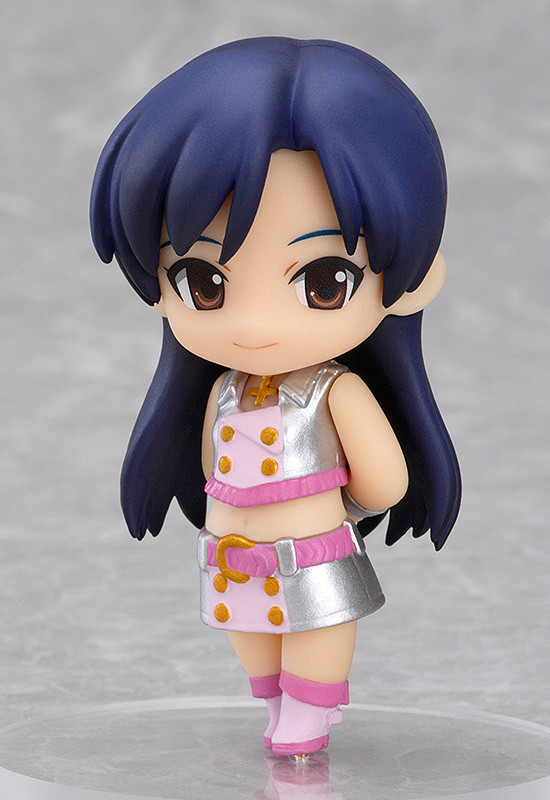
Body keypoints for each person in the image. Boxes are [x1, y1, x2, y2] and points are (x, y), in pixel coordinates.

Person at [90, 37, 461, 756]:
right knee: (254, 645)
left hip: (311, 554)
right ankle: (277, 703)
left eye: (324, 282)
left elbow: (386, 482)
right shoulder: (224, 393)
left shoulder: (334, 391)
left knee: (314, 634)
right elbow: (212, 463)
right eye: (204, 282)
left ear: (416, 280)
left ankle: (309, 713)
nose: (256, 325)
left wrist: (329, 508)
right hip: (234, 560)